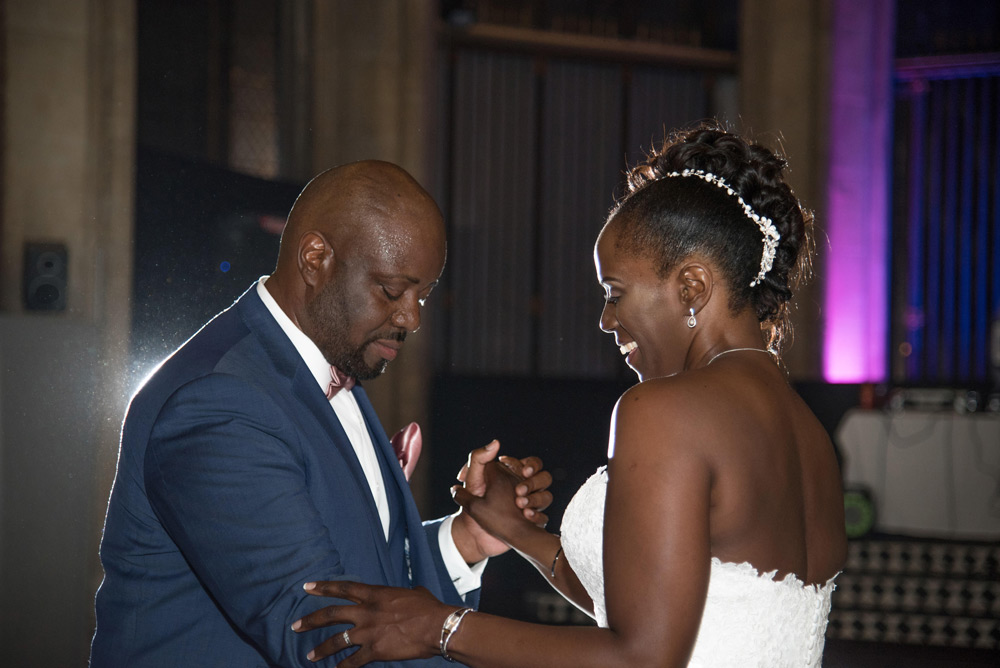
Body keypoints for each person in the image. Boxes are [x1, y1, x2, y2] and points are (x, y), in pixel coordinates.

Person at [292, 125, 848, 667]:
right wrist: (520, 534)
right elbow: (674, 614)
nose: (606, 320)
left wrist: (437, 626)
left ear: (692, 288)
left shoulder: (667, 411)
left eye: (615, 293)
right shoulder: (810, 434)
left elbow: (644, 657)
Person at [90, 160, 553, 667]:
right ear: (316, 259)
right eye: (393, 290)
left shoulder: (329, 364)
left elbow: (359, 576)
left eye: (424, 294)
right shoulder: (220, 404)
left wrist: (466, 539)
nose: (411, 317)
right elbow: (329, 640)